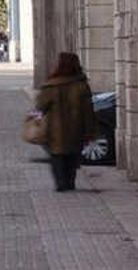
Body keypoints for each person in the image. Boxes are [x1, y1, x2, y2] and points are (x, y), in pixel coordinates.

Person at [36, 52, 99, 192]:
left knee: (57, 156)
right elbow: (88, 111)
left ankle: (60, 183)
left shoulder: (51, 85)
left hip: (55, 130)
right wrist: (90, 131)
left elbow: (40, 106)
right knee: (72, 156)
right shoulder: (81, 85)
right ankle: (70, 182)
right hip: (76, 130)